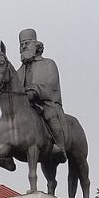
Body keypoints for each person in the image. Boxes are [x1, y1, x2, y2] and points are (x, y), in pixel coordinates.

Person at [18, 28, 67, 164]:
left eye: (26, 43)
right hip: (27, 107)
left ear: (36, 45)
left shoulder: (48, 64)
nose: (23, 47)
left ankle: (60, 146)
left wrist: (34, 91)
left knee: (49, 115)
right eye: (21, 44)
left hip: (47, 103)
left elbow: (51, 85)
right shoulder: (19, 71)